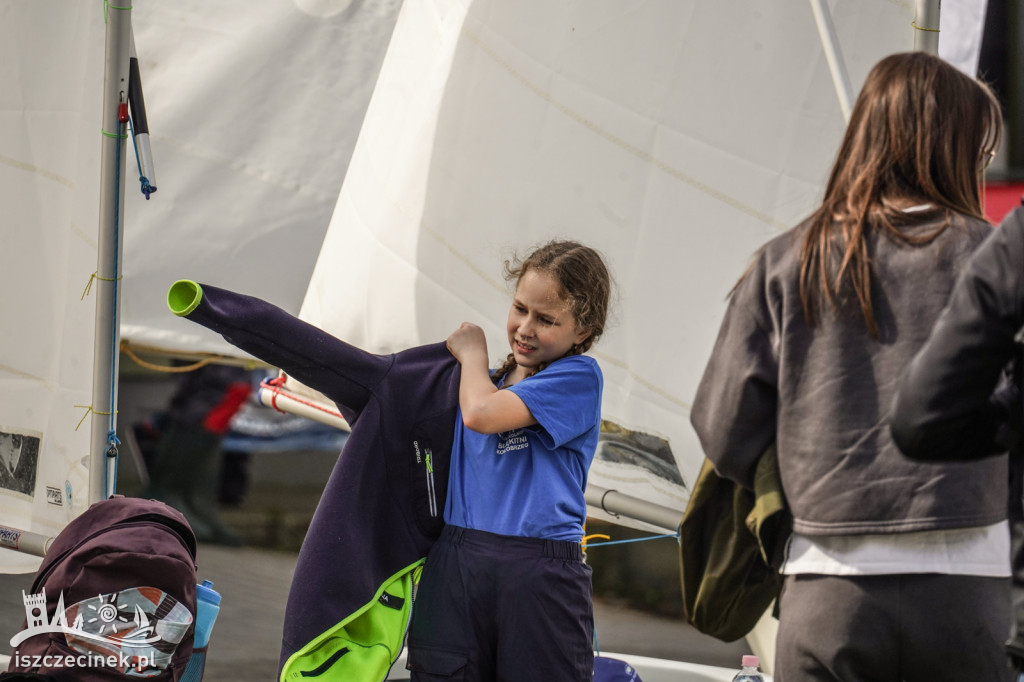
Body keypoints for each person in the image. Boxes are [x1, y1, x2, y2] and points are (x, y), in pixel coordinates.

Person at [689, 52, 1006, 681]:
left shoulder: (786, 262)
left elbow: (725, 431)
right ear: (957, 146)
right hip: (971, 591)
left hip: (828, 588)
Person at [405, 240, 612, 682]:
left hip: (538, 574)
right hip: (456, 563)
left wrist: (472, 351)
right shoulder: (483, 382)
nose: (525, 328)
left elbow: (482, 415)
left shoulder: (578, 378)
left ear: (583, 329)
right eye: (520, 309)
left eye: (546, 319)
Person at [890, 199, 1024, 676]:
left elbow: (922, 419)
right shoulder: (988, 240)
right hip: (973, 590)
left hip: (830, 577)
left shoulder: (1013, 241)